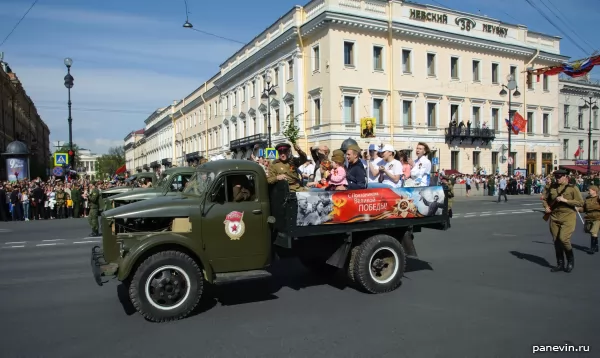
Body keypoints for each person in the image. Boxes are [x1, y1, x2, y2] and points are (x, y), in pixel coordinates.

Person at [542, 169, 584, 273]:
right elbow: (544, 198)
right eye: (556, 177)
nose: (557, 179)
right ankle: (560, 263)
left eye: (560, 177)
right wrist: (546, 207)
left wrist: (566, 200)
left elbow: (580, 203)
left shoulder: (573, 188)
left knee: (564, 239)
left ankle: (570, 260)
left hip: (568, 216)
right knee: (556, 240)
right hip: (555, 216)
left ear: (565, 177)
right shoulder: (552, 187)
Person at [578, 185, 600, 253]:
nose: (589, 191)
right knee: (589, 231)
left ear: (594, 191)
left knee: (593, 232)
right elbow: (584, 208)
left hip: (598, 217)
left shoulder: (598, 198)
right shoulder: (587, 198)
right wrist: (579, 209)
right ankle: (596, 246)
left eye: (590, 190)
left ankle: (592, 248)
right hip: (589, 217)